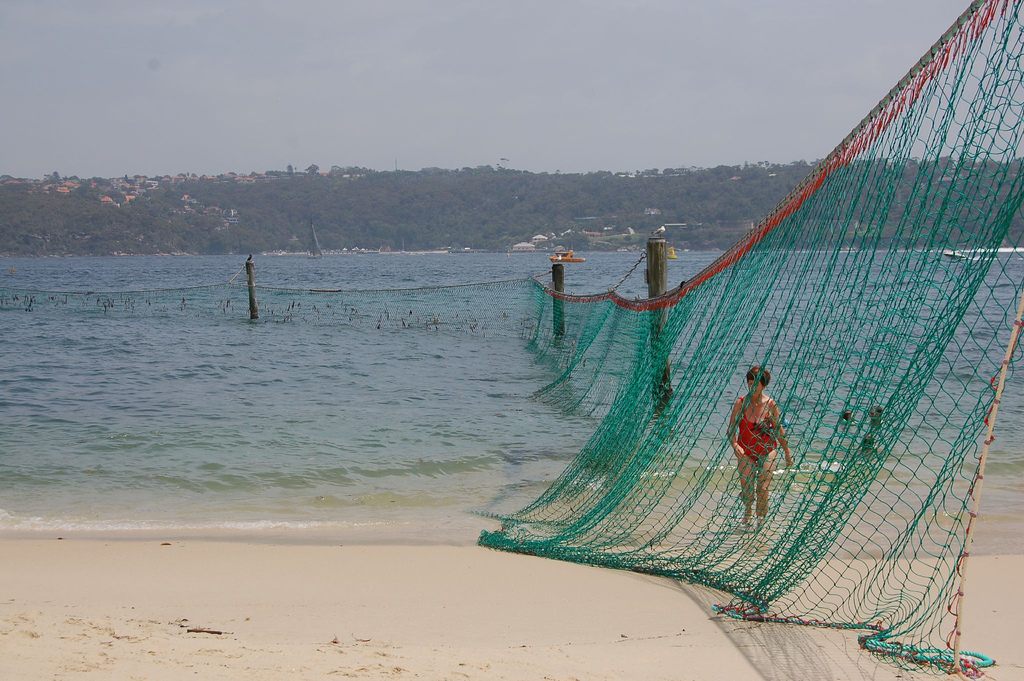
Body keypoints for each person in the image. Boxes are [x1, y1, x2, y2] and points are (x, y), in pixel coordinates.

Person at [727, 365, 793, 529]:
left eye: (756, 383)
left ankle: (761, 520)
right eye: (750, 383)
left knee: (762, 487)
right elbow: (730, 429)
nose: (752, 386)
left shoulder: (770, 404)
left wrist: (786, 451)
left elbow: (778, 429)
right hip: (745, 450)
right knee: (747, 488)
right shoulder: (741, 403)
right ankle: (748, 511)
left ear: (764, 385)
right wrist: (734, 444)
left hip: (767, 449)